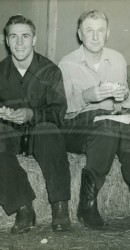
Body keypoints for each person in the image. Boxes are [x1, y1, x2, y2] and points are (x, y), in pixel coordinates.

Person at [59, 9, 130, 229]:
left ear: (107, 33)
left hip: (112, 121)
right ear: (80, 34)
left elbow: (121, 104)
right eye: (89, 30)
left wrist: (124, 97)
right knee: (107, 127)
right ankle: (86, 205)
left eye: (100, 30)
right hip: (76, 126)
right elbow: (60, 111)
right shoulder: (66, 64)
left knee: (123, 132)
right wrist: (86, 96)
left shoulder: (118, 59)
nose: (95, 36)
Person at [0, 15, 71, 234]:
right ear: (6, 40)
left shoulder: (50, 71)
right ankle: (23, 208)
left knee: (49, 129)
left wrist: (32, 114)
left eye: (25, 36)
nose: (19, 42)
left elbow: (59, 113)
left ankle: (60, 207)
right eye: (13, 36)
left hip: (40, 132)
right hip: (10, 132)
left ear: (34, 39)